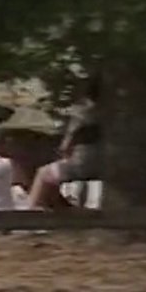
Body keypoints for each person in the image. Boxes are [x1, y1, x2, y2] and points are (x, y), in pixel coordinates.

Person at [26, 74, 102, 210]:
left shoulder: (83, 111)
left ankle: (31, 212)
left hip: (87, 162)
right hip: (110, 161)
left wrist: (65, 149)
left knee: (43, 173)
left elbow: (67, 144)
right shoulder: (114, 112)